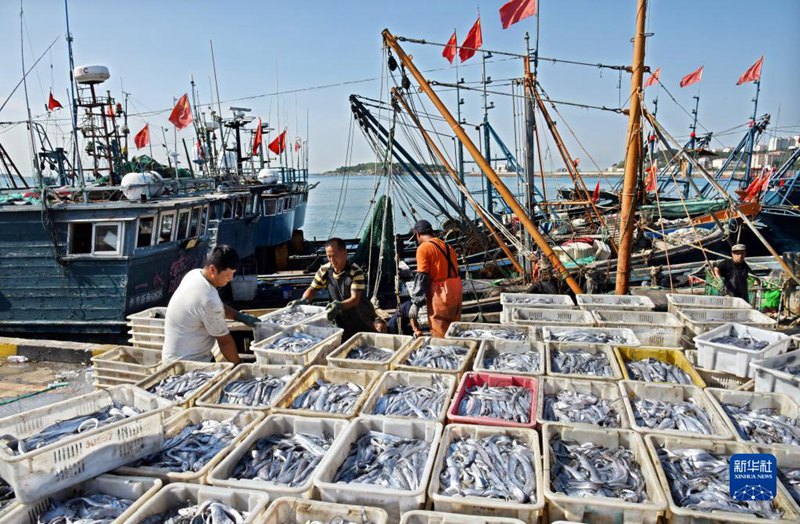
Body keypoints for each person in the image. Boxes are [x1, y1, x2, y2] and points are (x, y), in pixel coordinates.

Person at [162, 245, 261, 364]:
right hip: (188, 365)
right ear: (213, 270)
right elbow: (225, 341)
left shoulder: (194, 275)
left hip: (171, 358)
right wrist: (240, 366)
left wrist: (239, 317)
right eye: (228, 274)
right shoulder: (208, 300)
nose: (231, 278)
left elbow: (217, 304)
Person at [290, 237, 387, 340]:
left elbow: (355, 300)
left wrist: (338, 305)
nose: (332, 260)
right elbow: (313, 289)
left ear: (344, 253)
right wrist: (304, 300)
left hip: (361, 315)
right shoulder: (324, 270)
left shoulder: (355, 272)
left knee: (367, 341)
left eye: (335, 256)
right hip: (341, 317)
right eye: (329, 256)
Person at [409, 220, 463, 338]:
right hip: (456, 291)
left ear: (418, 234)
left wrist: (416, 302)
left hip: (440, 293)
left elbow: (422, 276)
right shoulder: (448, 246)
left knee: (440, 332)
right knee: (454, 329)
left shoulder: (423, 248)